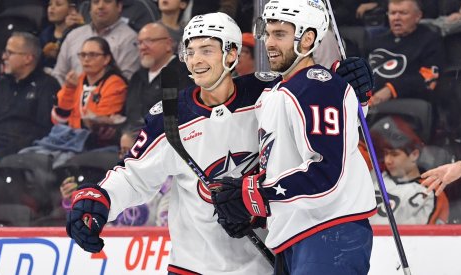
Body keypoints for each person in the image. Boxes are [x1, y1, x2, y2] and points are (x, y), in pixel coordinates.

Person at [65, 11, 374, 275]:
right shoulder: (170, 118)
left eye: (207, 50)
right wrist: (99, 200)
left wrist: (347, 85)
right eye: (191, 51)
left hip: (267, 261)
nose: (196, 60)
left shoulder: (269, 94)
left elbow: (326, 121)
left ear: (231, 54)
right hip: (197, 265)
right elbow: (132, 176)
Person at [211, 0, 377, 274]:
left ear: (307, 39)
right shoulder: (276, 93)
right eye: (269, 33)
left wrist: (257, 195)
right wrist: (252, 208)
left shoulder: (316, 87)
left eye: (281, 34)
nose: (269, 43)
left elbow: (325, 174)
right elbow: (282, 166)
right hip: (295, 232)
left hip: (329, 231)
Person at [0, 32, 60, 167]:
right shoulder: (0, 86)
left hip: (24, 155)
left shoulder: (47, 86)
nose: (3, 57)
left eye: (10, 53)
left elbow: (43, 132)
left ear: (28, 58)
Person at [369, 116, 449, 224]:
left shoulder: (430, 192)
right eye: (386, 154)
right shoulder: (373, 177)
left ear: (414, 155)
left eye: (394, 154)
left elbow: (421, 237)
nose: (388, 160)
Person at [51, 36, 127, 148]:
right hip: (67, 137)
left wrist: (73, 124)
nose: (86, 59)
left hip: (95, 144)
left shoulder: (115, 84)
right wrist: (69, 89)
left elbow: (97, 125)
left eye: (93, 55)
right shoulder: (77, 80)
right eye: (83, 55)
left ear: (106, 59)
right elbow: (58, 119)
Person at [367, 0, 445, 106]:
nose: (396, 18)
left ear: (418, 16)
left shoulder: (429, 40)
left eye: (403, 13)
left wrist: (391, 89)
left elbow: (429, 76)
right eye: (392, 13)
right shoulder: (376, 41)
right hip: (369, 103)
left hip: (406, 105)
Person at [51, 0, 139, 85]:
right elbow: (58, 75)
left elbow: (126, 82)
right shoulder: (74, 35)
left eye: (107, 1)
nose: (100, 6)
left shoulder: (130, 39)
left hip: (109, 98)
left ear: (119, 7)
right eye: (96, 2)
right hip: (69, 97)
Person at [124, 22, 193, 126]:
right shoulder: (137, 77)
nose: (142, 47)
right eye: (139, 43)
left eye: (148, 41)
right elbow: (129, 114)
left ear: (168, 44)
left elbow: (184, 114)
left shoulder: (184, 73)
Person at [39, 0, 84, 70]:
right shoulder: (45, 34)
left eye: (58, 4)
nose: (52, 8)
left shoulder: (78, 32)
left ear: (71, 9)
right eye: (50, 4)